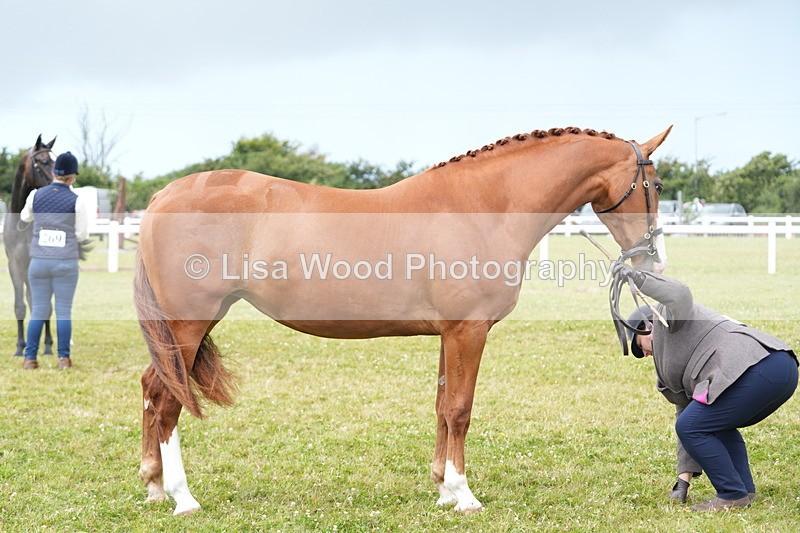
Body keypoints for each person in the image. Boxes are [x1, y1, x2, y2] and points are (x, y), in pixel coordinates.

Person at [614, 263, 797, 511]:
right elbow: (687, 411)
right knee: (711, 423)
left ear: (650, 323)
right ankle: (744, 490)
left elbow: (679, 294)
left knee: (693, 425)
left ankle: (731, 494)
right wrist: (683, 481)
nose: (643, 352)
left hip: (758, 368)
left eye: (640, 343)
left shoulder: (670, 318)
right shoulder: (671, 360)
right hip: (781, 367)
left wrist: (639, 278)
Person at [20, 151, 89, 370]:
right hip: (65, 263)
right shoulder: (76, 201)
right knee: (63, 311)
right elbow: (82, 235)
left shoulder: (35, 195)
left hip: (39, 261)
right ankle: (63, 359)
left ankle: (30, 358)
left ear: (53, 173)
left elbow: (24, 217)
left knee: (38, 310)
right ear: (72, 177)